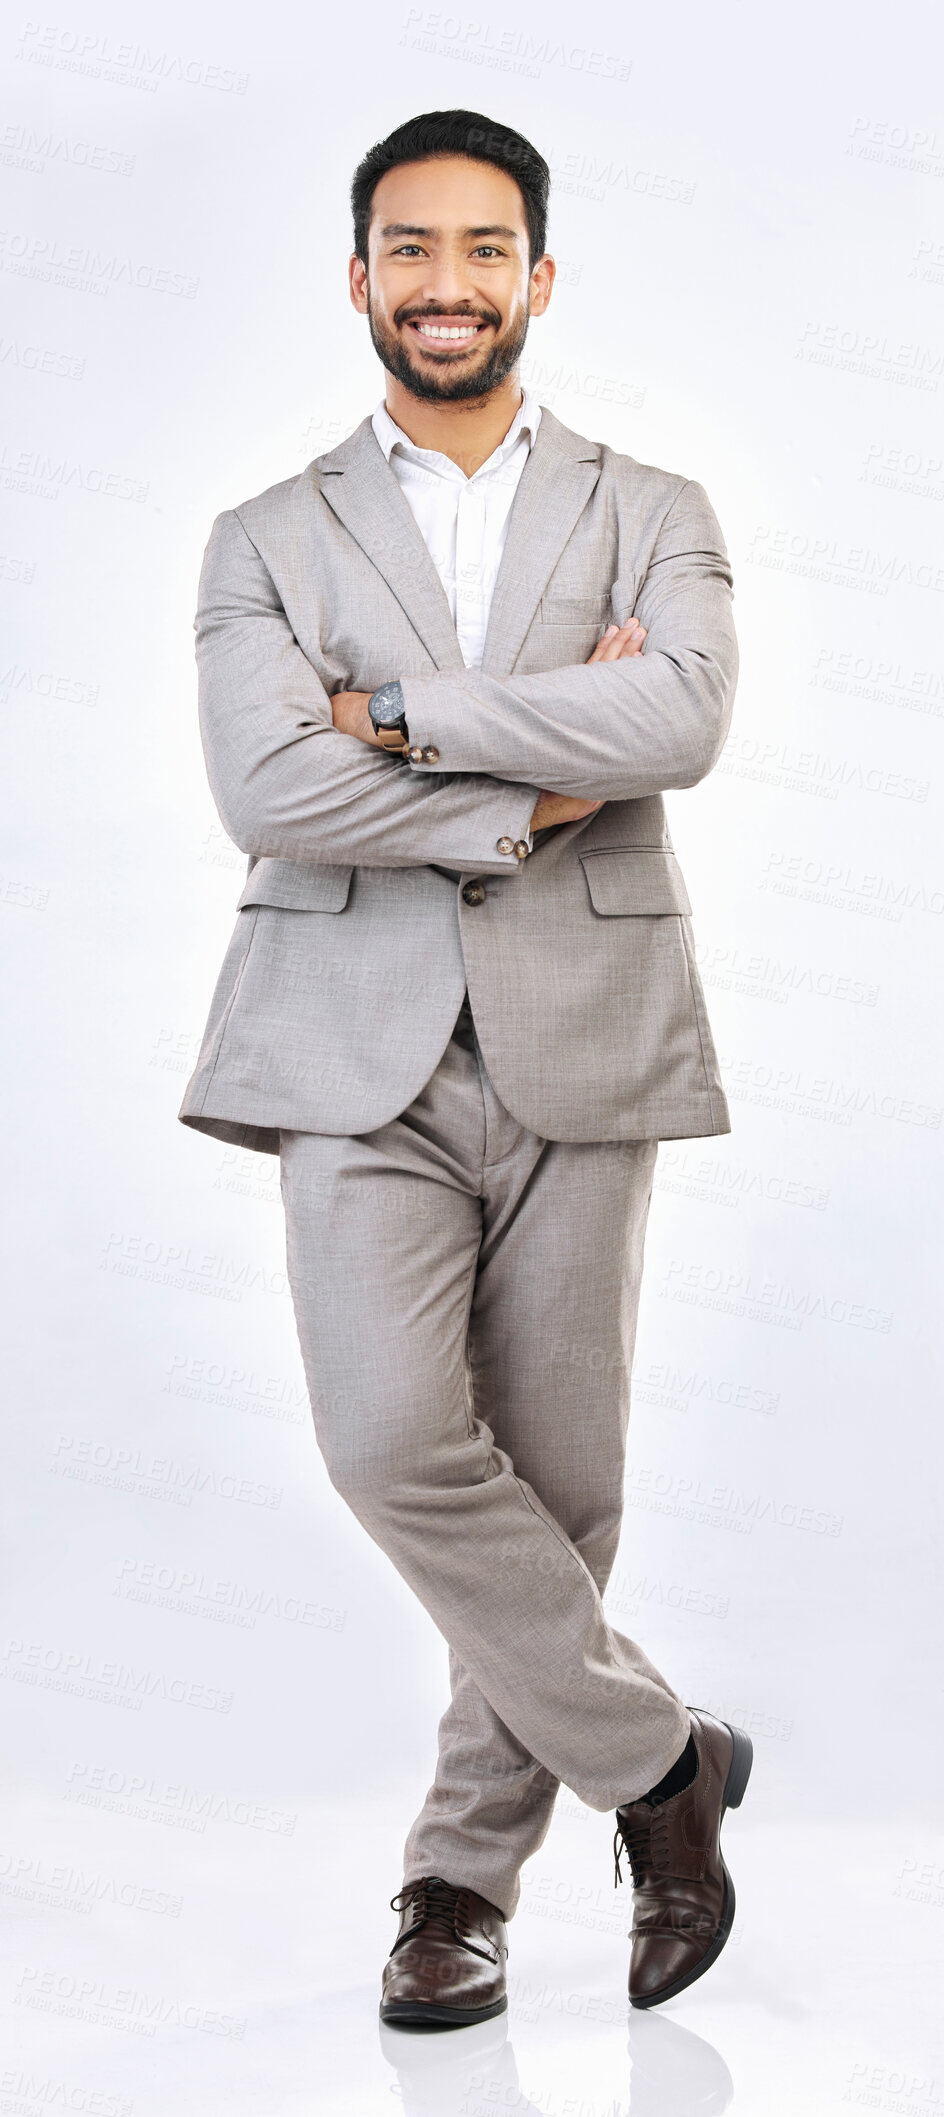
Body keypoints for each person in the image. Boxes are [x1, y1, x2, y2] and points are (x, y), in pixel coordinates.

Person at [178, 107, 750, 2026]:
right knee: (393, 1443)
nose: (446, 284)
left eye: (483, 250)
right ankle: (665, 1765)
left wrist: (403, 716)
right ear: (360, 278)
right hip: (350, 1045)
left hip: (588, 1030)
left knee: (562, 1480)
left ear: (538, 278)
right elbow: (267, 784)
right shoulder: (264, 535)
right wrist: (532, 788)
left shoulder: (653, 506)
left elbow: (679, 713)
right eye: (410, 249)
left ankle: (452, 1885)